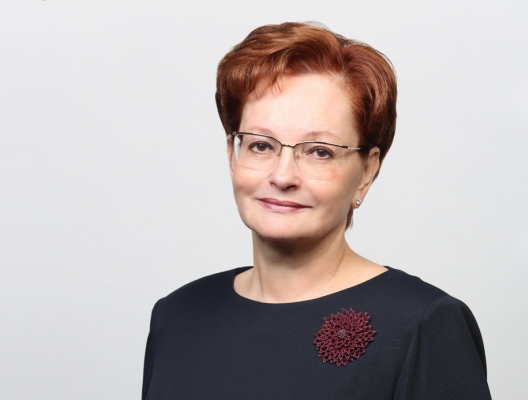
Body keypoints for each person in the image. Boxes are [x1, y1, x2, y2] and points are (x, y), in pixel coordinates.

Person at [142, 22, 492, 400]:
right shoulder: (176, 315)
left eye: (319, 152)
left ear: (366, 172)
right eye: (261, 145)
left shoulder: (424, 324)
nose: (283, 176)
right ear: (232, 153)